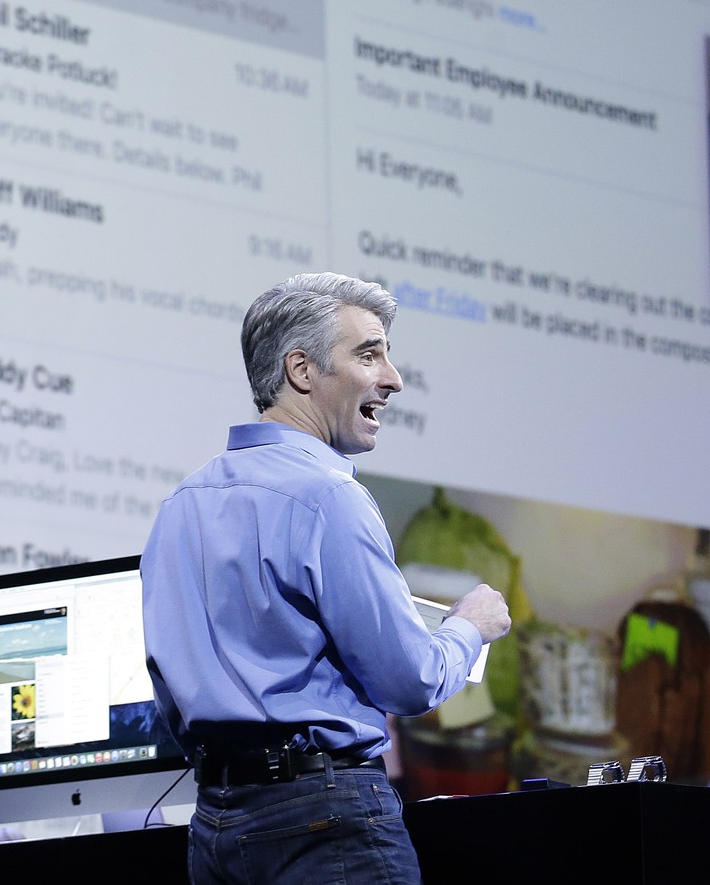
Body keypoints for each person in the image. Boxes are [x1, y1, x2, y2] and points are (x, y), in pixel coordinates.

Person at [142, 272, 511, 885]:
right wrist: (468, 629)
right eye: (369, 353)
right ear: (302, 371)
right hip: (326, 820)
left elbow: (170, 695)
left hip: (216, 829)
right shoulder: (329, 496)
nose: (393, 378)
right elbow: (410, 681)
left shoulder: (183, 503)